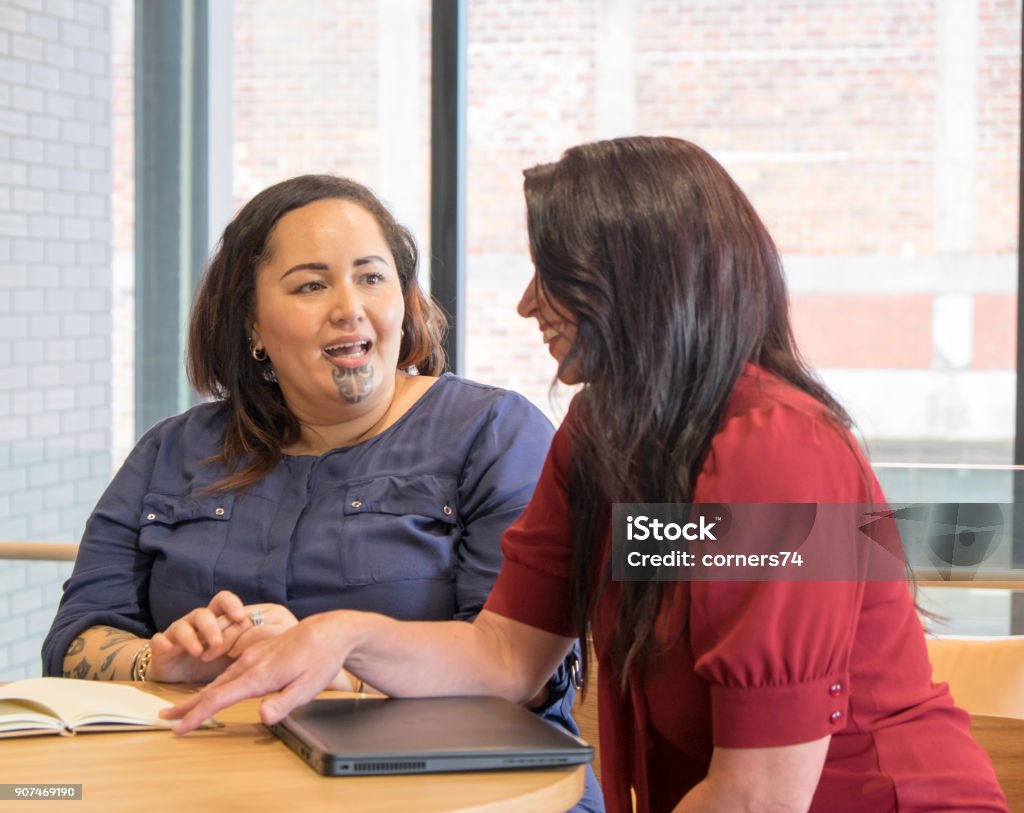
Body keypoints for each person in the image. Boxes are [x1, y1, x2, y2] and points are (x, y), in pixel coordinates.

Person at [164, 139, 1008, 813]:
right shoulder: (606, 431)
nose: (529, 304)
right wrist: (343, 632)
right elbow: (505, 655)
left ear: (643, 284)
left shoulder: (776, 451)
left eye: (554, 276)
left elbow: (759, 796)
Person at [42, 174, 603, 812]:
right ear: (251, 324)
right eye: (311, 284)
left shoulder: (494, 432)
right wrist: (161, 660)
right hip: (204, 787)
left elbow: (525, 676)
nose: (349, 306)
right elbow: (75, 641)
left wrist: (333, 660)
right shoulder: (170, 451)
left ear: (406, 300)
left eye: (371, 277)